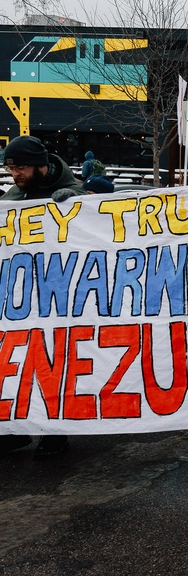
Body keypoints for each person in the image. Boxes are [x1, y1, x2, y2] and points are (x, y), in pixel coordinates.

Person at [0, 137, 85, 460]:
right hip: (21, 298)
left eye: (19, 167)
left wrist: (77, 204)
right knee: (16, 362)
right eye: (9, 167)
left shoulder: (72, 191)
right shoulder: (14, 196)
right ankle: (14, 430)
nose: (13, 174)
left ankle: (55, 431)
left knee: (55, 362)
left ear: (41, 164)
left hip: (61, 297)